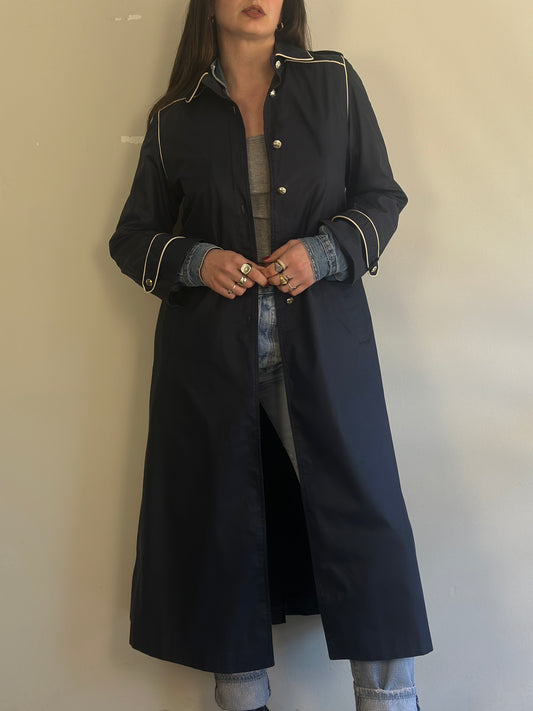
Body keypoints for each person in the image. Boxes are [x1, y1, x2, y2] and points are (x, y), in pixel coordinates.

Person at [109, 1, 432, 709]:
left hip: (325, 350)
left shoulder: (333, 82)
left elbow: (381, 196)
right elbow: (131, 237)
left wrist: (325, 251)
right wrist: (196, 260)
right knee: (222, 530)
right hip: (209, 363)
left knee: (366, 522)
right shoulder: (174, 119)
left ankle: (389, 700)